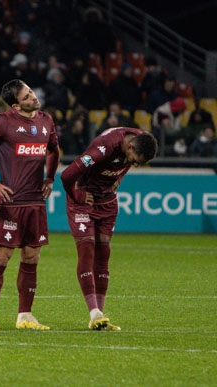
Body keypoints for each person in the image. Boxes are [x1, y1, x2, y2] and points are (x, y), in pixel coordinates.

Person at [0, 79, 60, 331]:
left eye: (31, 92)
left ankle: (25, 316)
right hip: (11, 201)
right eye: (26, 96)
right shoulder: (2, 122)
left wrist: (50, 177)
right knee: (2, 257)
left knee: (32, 256)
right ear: (15, 104)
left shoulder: (46, 120)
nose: (33, 97)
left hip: (36, 201)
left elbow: (54, 150)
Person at [61, 127, 158, 330]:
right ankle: (94, 312)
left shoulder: (141, 139)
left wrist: (119, 179)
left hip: (107, 201)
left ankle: (100, 316)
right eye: (134, 160)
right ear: (129, 147)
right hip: (84, 199)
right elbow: (67, 174)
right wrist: (76, 194)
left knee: (104, 252)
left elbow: (126, 165)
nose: (134, 165)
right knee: (87, 250)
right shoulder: (103, 148)